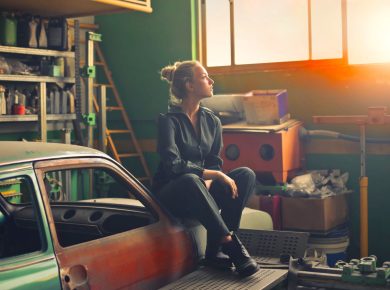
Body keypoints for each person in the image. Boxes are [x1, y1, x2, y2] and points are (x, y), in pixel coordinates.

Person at [152, 60, 259, 277]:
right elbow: (173, 166)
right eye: (204, 77)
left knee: (245, 174)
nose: (211, 81)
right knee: (190, 180)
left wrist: (210, 180)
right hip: (173, 193)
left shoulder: (212, 121)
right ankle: (229, 243)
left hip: (201, 189)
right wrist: (214, 176)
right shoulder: (168, 121)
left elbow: (213, 161)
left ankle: (214, 251)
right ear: (190, 85)